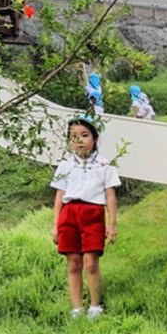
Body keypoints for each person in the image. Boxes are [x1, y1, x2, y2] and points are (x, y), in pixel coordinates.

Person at [51, 117, 119, 319]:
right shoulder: (65, 166)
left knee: (91, 262)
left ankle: (95, 305)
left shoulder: (105, 165)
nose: (79, 140)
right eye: (74, 137)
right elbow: (59, 197)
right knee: (73, 262)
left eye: (84, 135)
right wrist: (55, 225)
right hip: (69, 214)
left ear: (95, 138)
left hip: (93, 214)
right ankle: (76, 307)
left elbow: (110, 196)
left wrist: (112, 224)